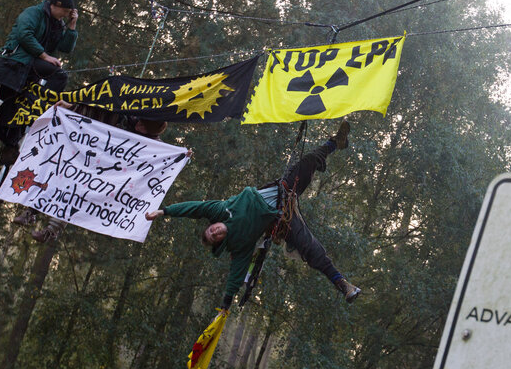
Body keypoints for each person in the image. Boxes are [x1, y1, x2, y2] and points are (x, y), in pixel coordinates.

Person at [145, 121, 362, 309]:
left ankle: (335, 143)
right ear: (220, 241)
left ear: (213, 224)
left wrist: (164, 211)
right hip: (281, 218)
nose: (215, 231)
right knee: (310, 247)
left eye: (211, 229)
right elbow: (235, 276)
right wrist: (225, 305)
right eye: (215, 237)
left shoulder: (220, 210)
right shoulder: (240, 244)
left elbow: (193, 208)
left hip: (284, 190)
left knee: (309, 160)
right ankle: (342, 284)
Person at [14, 101, 170, 242]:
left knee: (76, 196)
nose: (138, 127)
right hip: (87, 157)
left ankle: (50, 231)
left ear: (151, 132)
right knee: (57, 178)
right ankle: (31, 211)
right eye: (140, 122)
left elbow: (163, 157)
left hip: (105, 175)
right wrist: (72, 107)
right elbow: (98, 108)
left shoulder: (153, 144)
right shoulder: (129, 116)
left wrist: (183, 156)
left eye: (143, 128)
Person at [0, 0, 79, 165]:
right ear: (56, 5)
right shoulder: (33, 12)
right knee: (58, 75)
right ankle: (38, 105)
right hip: (17, 60)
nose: (65, 15)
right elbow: (24, 35)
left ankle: (37, 105)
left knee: (59, 75)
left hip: (33, 66)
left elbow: (66, 48)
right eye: (65, 11)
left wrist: (72, 25)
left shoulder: (58, 24)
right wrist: (45, 56)